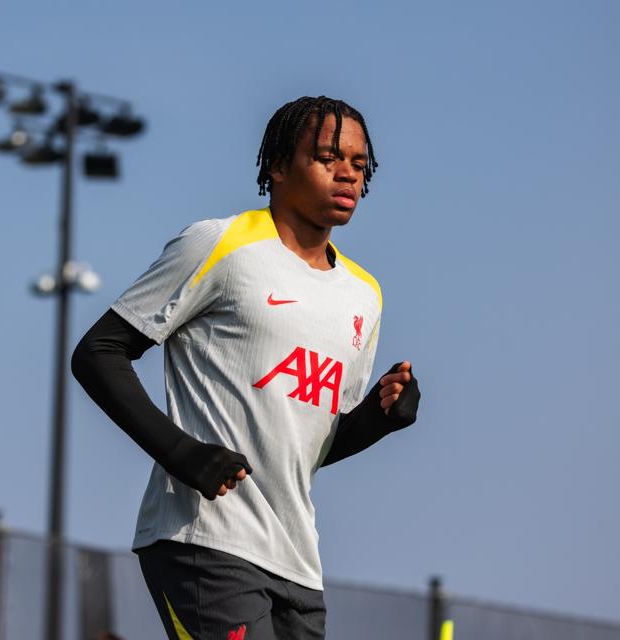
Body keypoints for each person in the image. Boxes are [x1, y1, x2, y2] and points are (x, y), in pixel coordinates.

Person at [71, 96, 421, 640]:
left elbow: (310, 443)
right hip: (203, 540)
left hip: (299, 563)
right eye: (327, 156)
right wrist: (182, 453)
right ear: (278, 166)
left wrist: (379, 417)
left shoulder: (364, 295)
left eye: (358, 161)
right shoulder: (220, 243)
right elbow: (98, 352)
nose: (347, 172)